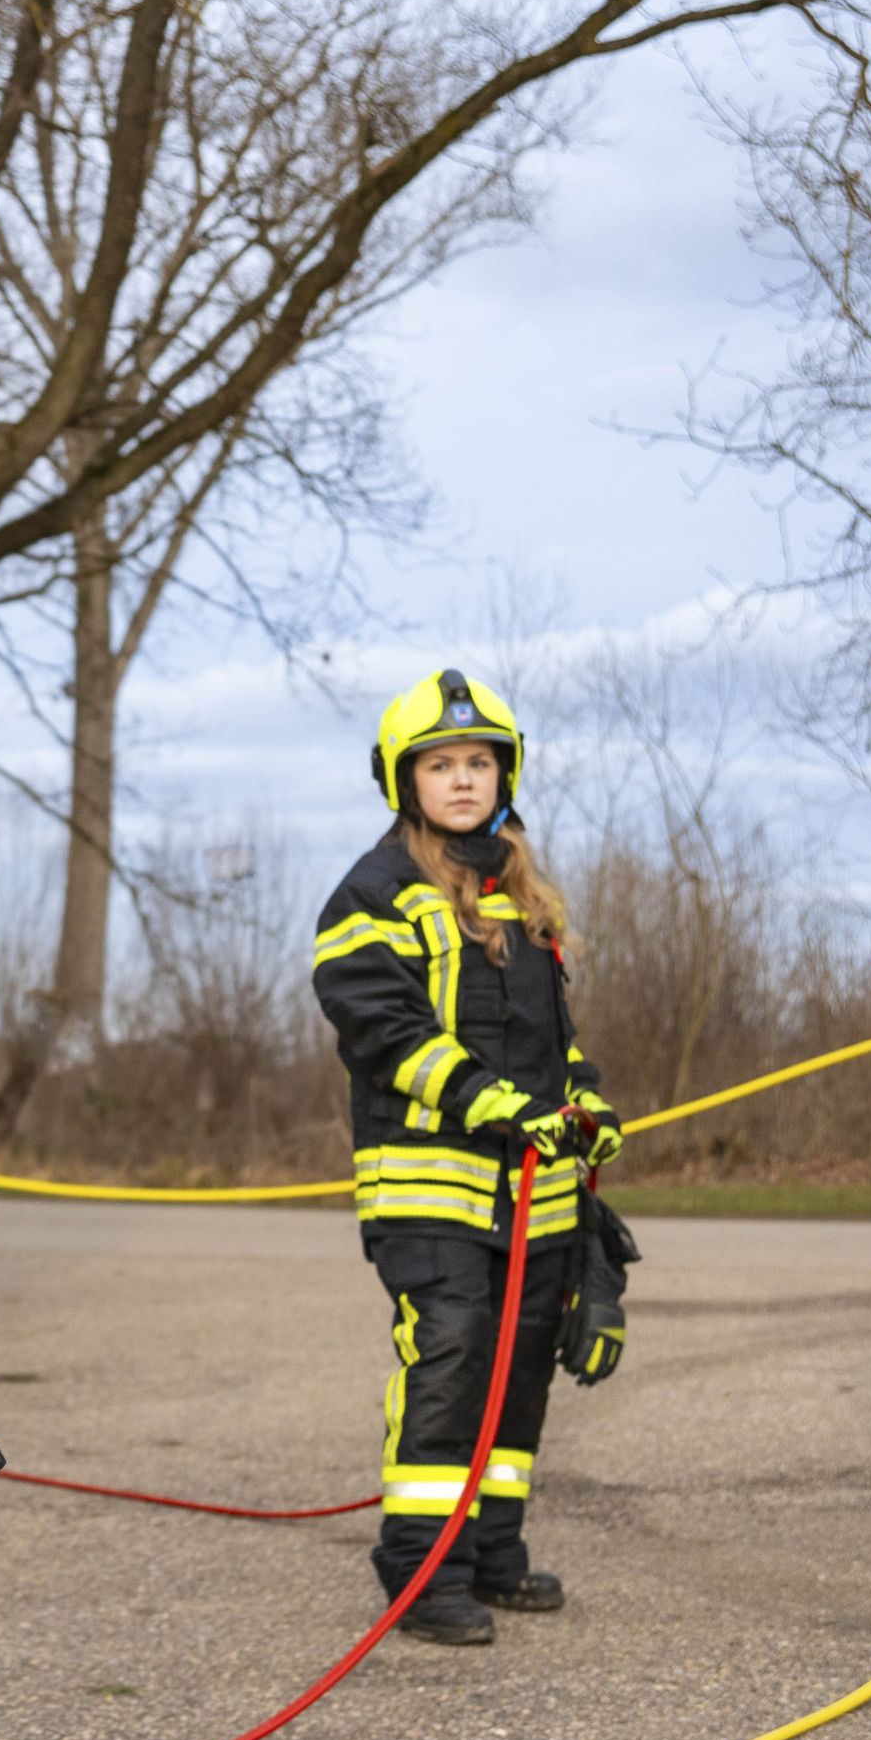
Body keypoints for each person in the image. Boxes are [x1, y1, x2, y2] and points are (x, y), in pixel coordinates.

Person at [308, 671, 622, 1646]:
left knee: (520, 1369)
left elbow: (551, 1037)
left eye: (477, 762)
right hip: (431, 1187)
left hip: (535, 1192)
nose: (460, 779)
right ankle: (419, 1566)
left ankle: (492, 1549)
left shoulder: (524, 896)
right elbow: (378, 1022)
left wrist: (584, 1100)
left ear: (503, 774)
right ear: (403, 780)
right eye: (439, 764)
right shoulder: (374, 892)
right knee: (450, 1359)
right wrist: (487, 1099)